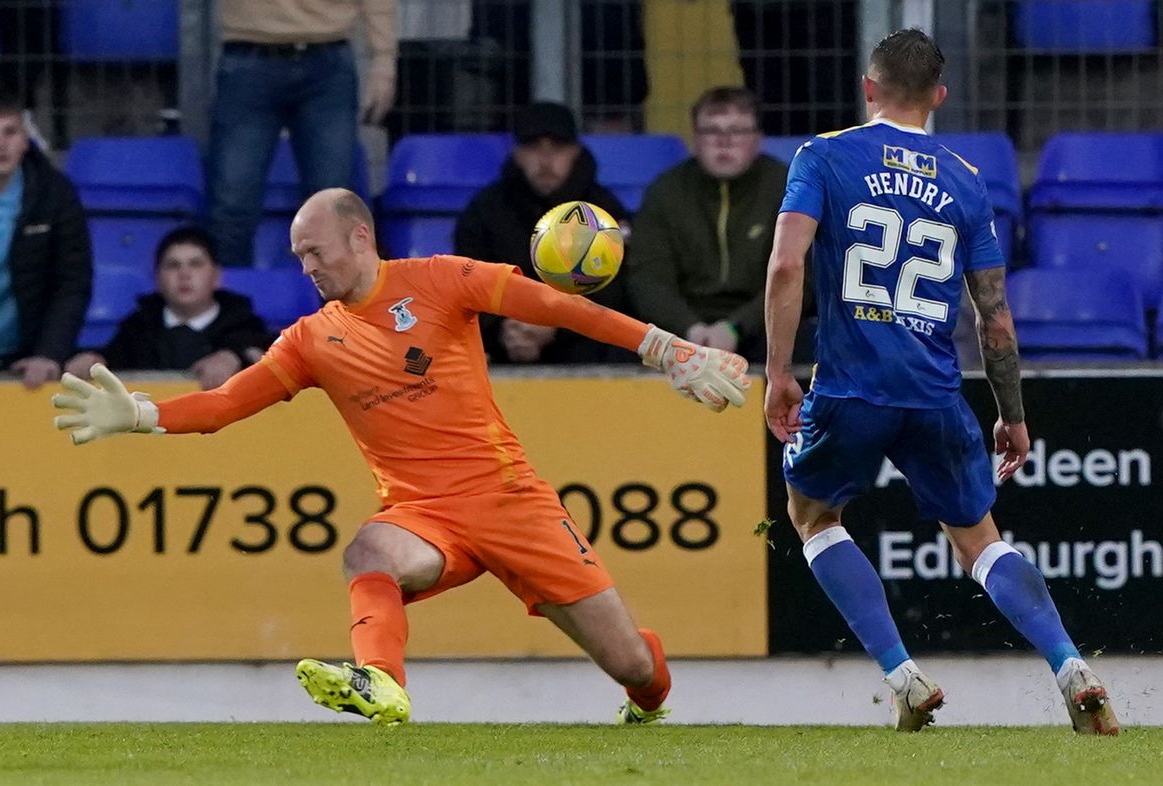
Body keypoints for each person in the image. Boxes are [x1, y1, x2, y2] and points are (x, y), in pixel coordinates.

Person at [53, 187, 750, 725]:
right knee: (368, 553)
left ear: (360, 236)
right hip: (424, 517)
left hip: (511, 501)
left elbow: (555, 307)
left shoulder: (442, 280)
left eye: (315, 250)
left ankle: (648, 687)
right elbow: (227, 404)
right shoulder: (307, 339)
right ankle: (381, 682)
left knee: (630, 663)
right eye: (298, 256)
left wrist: (662, 348)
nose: (307, 266)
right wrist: (142, 415)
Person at [763, 28, 1118, 735]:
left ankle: (904, 676)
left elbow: (783, 267)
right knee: (980, 539)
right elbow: (996, 318)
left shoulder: (823, 155)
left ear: (869, 88)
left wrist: (777, 372)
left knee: (812, 518)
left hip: (850, 388)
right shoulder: (962, 177)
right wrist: (1011, 412)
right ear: (939, 97)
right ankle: (1071, 665)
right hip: (935, 391)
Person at [207, 0, 397, 267]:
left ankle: (337, 308)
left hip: (326, 60)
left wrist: (383, 61)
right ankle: (230, 306)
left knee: (334, 212)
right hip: (250, 55)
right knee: (232, 209)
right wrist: (382, 59)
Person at [454, 101, 634, 364]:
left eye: (557, 148)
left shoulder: (603, 210)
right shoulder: (484, 211)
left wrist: (557, 326)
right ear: (516, 154)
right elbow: (467, 284)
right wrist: (503, 329)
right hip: (504, 343)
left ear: (575, 152)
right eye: (533, 147)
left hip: (583, 347)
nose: (545, 160)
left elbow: (616, 294)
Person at [626, 86, 790, 364]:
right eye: (712, 131)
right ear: (695, 139)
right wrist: (690, 328)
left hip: (762, 326)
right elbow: (648, 277)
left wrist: (735, 328)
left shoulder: (786, 187)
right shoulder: (665, 191)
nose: (724, 142)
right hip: (679, 328)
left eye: (737, 131)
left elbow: (799, 278)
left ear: (758, 139)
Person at [0, 86, 91, 389]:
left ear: (25, 139)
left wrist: (49, 353)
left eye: (10, 131)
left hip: (30, 359)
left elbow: (72, 282)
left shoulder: (55, 194)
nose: (0, 144)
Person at [64, 227, 275, 391]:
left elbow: (277, 358)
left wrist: (237, 356)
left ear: (217, 276)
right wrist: (92, 360)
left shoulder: (245, 326)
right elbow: (110, 359)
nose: (184, 274)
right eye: (173, 265)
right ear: (156, 279)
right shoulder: (137, 329)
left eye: (196, 264)